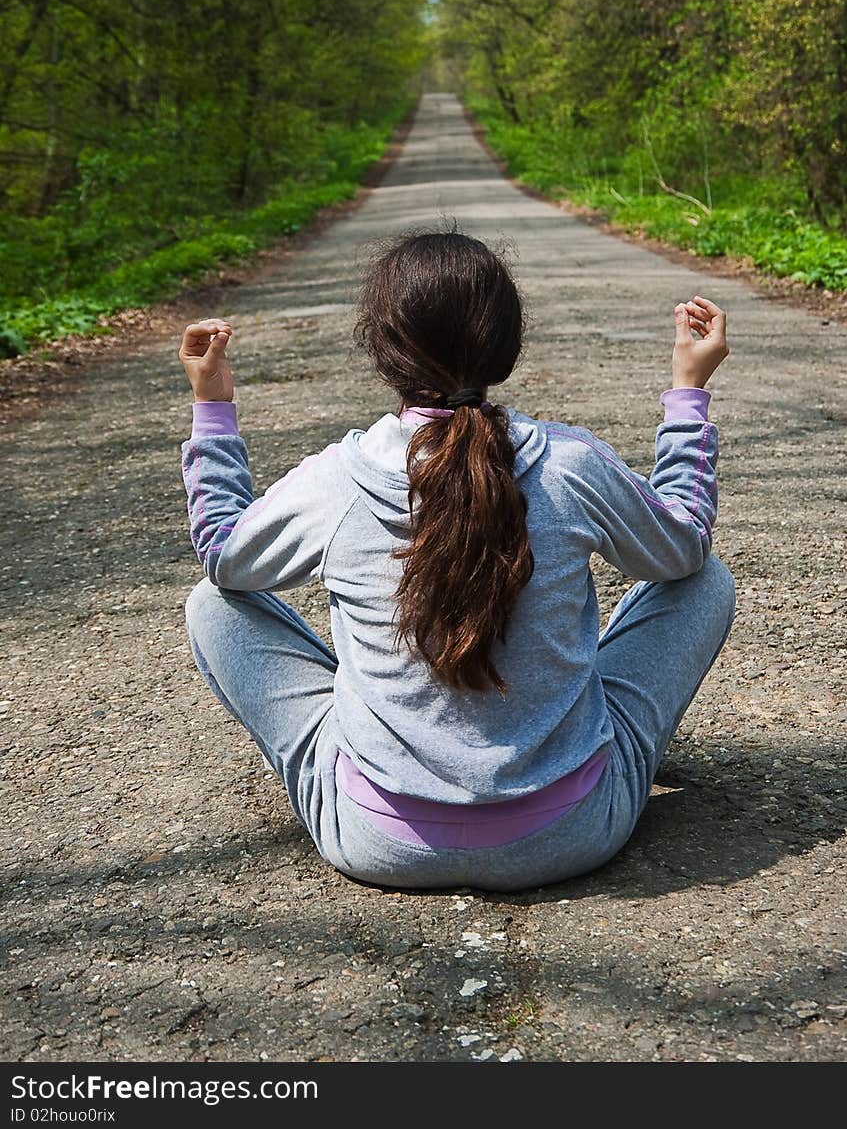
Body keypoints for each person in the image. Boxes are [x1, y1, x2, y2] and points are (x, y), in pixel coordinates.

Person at [179, 228, 735, 892]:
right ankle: (559, 764)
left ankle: (387, 760)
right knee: (704, 582)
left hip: (377, 841)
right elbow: (684, 545)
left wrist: (212, 405)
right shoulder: (570, 465)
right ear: (507, 344)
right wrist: (688, 393)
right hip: (575, 832)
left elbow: (223, 554)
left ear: (383, 352)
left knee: (213, 604)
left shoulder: (338, 481)